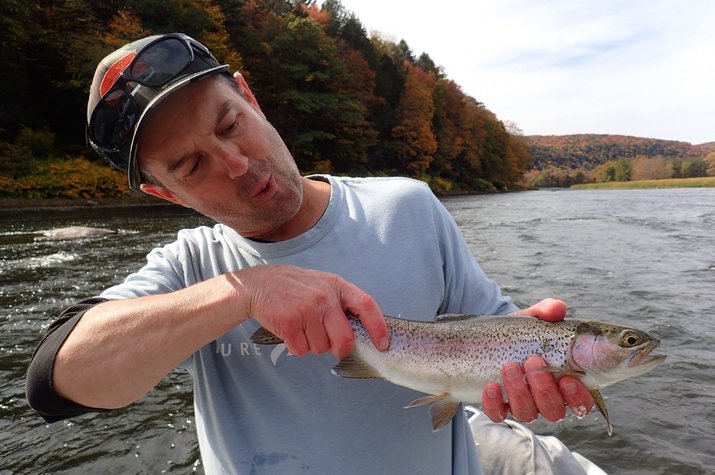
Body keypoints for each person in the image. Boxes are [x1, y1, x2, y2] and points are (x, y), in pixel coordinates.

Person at [26, 33, 597, 474]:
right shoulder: (189, 269)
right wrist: (243, 292)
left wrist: (530, 377)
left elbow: (499, 333)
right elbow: (56, 380)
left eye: (230, 123)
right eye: (191, 166)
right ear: (164, 193)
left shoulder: (409, 208)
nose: (237, 164)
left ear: (250, 97)